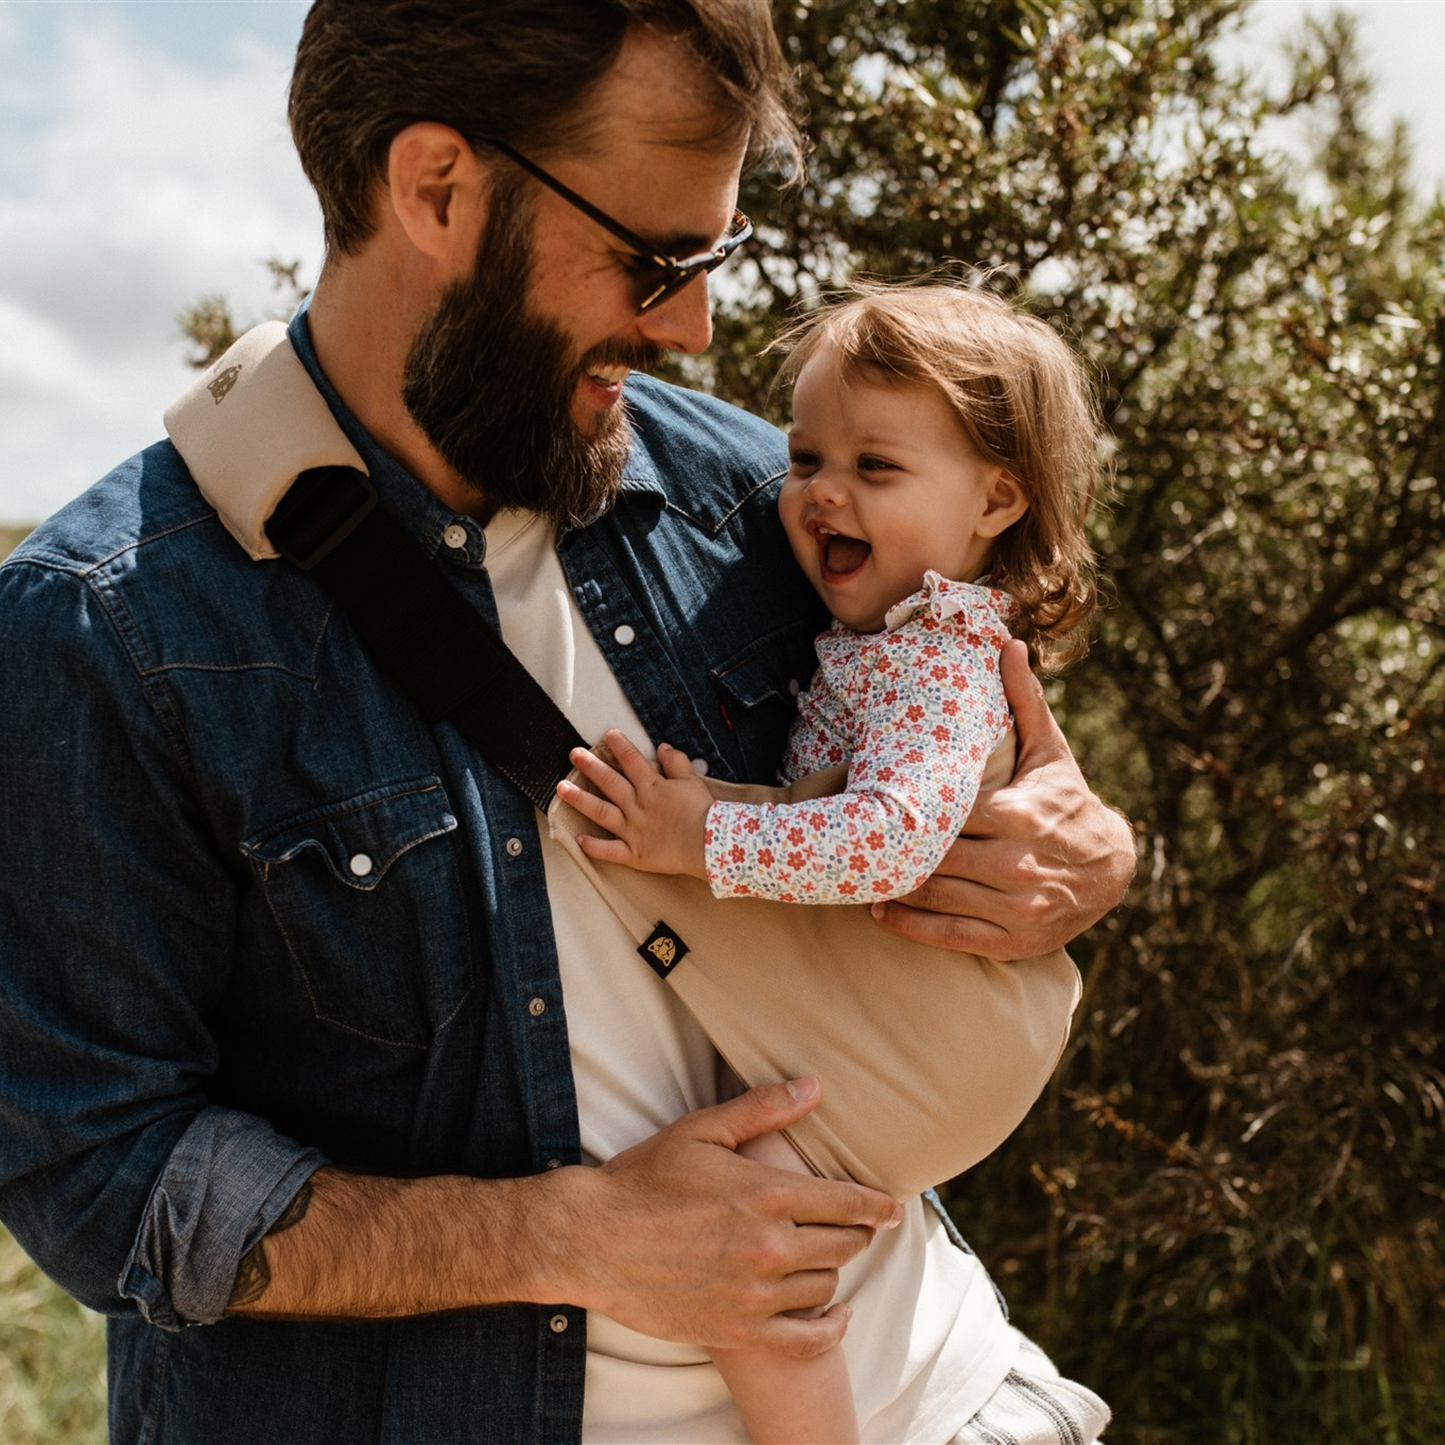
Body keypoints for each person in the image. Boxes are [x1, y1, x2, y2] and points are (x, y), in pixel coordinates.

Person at [0, 4, 1135, 1443]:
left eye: (707, 260)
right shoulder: (107, 627)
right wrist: (568, 1236)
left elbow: (972, 736)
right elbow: (104, 1176)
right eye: (655, 260)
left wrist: (1082, 849)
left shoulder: (766, 495)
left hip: (952, 1397)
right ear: (436, 190)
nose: (690, 325)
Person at [558, 282, 1101, 1443]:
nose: (818, 492)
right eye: (804, 456)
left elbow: (888, 838)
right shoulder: (891, 636)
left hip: (927, 1047)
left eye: (875, 465)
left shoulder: (939, 658)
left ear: (996, 496)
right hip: (909, 1036)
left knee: (748, 1248)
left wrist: (695, 835)